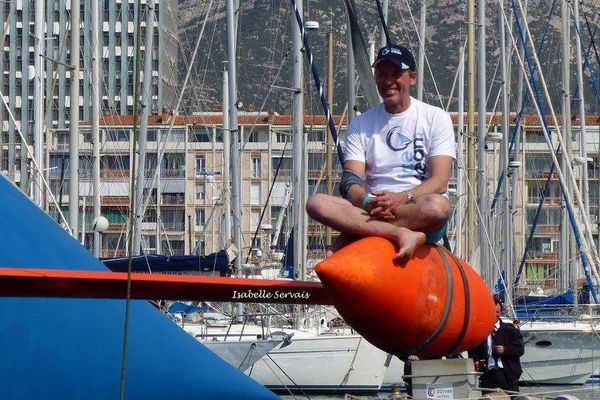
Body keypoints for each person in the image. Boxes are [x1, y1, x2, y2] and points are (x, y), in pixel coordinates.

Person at [305, 43, 456, 262]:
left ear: (412, 78)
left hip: (415, 208)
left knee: (438, 206)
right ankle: (400, 233)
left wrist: (403, 198)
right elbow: (350, 182)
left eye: (396, 74)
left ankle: (356, 232)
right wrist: (368, 202)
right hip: (371, 208)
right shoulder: (361, 123)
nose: (388, 81)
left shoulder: (435, 117)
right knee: (316, 203)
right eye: (382, 74)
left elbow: (440, 181)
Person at [469, 295, 524, 395]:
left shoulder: (510, 329)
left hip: (507, 375)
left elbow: (520, 349)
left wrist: (505, 350)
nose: (495, 315)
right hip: (488, 376)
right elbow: (473, 351)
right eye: (492, 313)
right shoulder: (480, 331)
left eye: (497, 313)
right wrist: (476, 362)